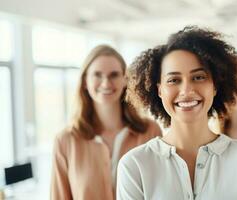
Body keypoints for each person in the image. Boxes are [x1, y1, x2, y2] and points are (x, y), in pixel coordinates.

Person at [117, 26, 237, 199]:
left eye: (198, 77)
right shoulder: (134, 165)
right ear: (159, 90)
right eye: (173, 80)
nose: (187, 90)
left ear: (215, 86)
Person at [50, 45, 161, 200]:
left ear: (125, 81)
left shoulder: (150, 131)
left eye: (114, 75)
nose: (106, 83)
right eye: (97, 75)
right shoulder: (65, 141)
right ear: (85, 82)